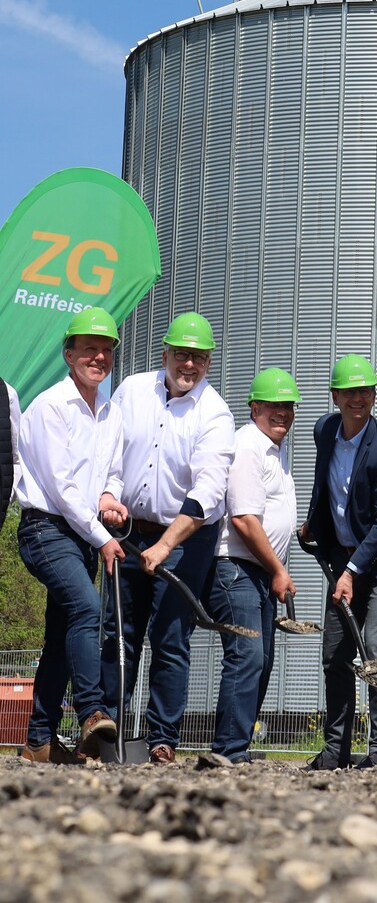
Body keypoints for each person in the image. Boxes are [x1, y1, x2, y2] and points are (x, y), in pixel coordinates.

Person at [102, 312, 236, 766]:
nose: (189, 365)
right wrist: (108, 500)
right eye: (182, 354)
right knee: (118, 633)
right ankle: (108, 731)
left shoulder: (215, 413)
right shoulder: (132, 391)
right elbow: (110, 453)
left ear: (209, 362)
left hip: (186, 537)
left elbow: (207, 492)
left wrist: (165, 546)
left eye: (198, 357)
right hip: (128, 529)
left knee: (171, 636)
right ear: (166, 354)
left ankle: (161, 739)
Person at [301, 354, 377, 770]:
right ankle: (335, 750)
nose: (359, 398)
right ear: (335, 396)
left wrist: (352, 573)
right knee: (334, 654)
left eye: (366, 391)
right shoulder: (325, 430)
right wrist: (314, 524)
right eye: (351, 391)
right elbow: (328, 486)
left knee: (376, 651)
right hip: (342, 555)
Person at [17, 307, 126, 763]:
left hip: (82, 533)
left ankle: (39, 740)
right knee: (85, 607)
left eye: (106, 350)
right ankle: (91, 712)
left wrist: (109, 496)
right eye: (89, 349)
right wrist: (102, 537)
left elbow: (114, 473)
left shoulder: (112, 413)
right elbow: (61, 490)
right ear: (69, 354)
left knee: (62, 631)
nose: (98, 357)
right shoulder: (50, 407)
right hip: (45, 530)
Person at [205, 367, 301, 764]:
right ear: (255, 407)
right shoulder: (247, 447)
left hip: (256, 572)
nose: (282, 412)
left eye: (288, 406)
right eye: (274, 405)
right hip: (236, 570)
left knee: (260, 661)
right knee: (247, 657)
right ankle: (227, 750)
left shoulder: (272, 451)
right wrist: (279, 568)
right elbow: (244, 520)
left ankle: (236, 746)